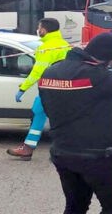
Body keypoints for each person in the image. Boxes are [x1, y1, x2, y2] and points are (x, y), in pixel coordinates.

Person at [39, 31, 112, 214]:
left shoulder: (51, 71)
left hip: (62, 152)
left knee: (75, 206)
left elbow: (47, 109)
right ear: (111, 58)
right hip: (98, 157)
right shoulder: (98, 76)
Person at [7, 18, 70, 159]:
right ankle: (28, 148)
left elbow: (38, 71)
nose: (38, 29)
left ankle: (29, 149)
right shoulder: (64, 44)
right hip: (62, 87)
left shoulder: (45, 47)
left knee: (40, 114)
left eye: (39, 27)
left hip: (51, 88)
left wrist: (23, 88)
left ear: (44, 29)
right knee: (41, 113)